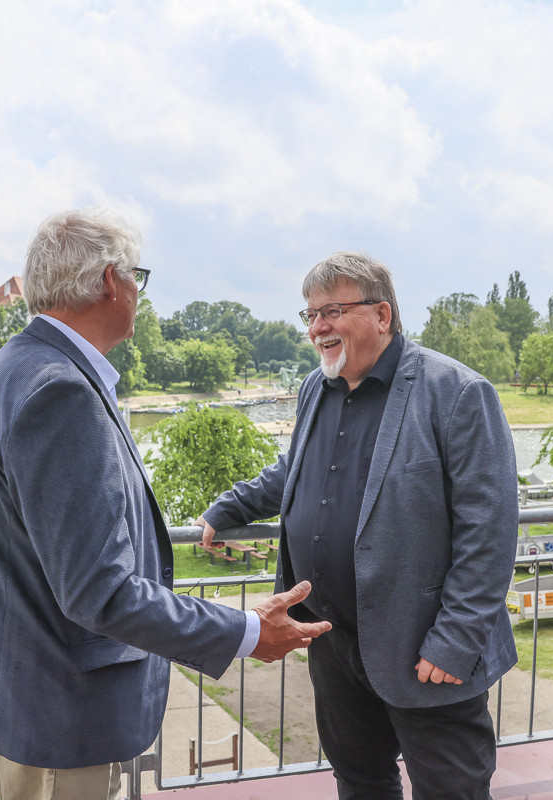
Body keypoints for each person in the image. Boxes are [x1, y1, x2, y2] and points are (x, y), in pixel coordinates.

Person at [0, 208, 330, 800]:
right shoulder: (60, 390)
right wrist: (248, 632)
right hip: (59, 721)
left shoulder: (14, 366)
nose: (139, 294)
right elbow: (101, 590)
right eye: (136, 277)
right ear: (109, 282)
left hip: (31, 703)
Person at [198, 251, 518, 799]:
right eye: (310, 315)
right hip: (334, 643)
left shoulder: (457, 392)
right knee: (360, 782)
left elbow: (488, 530)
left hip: (425, 648)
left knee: (452, 791)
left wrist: (456, 639)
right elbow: (295, 470)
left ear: (382, 315)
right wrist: (230, 506)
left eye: (333, 311)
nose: (317, 327)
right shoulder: (316, 387)